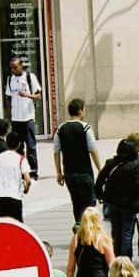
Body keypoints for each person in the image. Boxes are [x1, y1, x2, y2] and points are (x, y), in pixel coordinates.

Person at [94, 134, 139, 260]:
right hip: (129, 205)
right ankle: (126, 260)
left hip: (113, 203)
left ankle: (116, 258)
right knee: (127, 233)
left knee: (116, 232)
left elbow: (99, 181)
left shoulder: (110, 163)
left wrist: (100, 196)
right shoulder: (134, 166)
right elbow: (138, 187)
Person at [53, 95, 100, 224]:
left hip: (69, 173)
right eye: (84, 110)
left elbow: (56, 152)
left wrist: (59, 172)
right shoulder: (85, 128)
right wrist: (100, 169)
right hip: (84, 172)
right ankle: (89, 231)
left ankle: (78, 225)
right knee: (89, 203)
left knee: (76, 202)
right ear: (80, 111)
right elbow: (93, 150)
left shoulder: (60, 129)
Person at [5, 56, 40, 166]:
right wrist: (8, 117)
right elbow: (8, 98)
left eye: (15, 68)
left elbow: (39, 96)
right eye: (11, 68)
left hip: (28, 117)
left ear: (21, 66)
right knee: (18, 146)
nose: (13, 70)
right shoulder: (10, 79)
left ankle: (33, 171)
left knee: (31, 145)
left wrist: (27, 95)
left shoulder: (30, 77)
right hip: (16, 119)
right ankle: (21, 170)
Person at [0, 129, 29, 219]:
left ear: (6, 142)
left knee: (1, 226)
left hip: (0, 197)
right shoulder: (21, 159)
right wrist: (26, 189)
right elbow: (28, 180)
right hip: (15, 197)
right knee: (16, 226)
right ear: (19, 144)